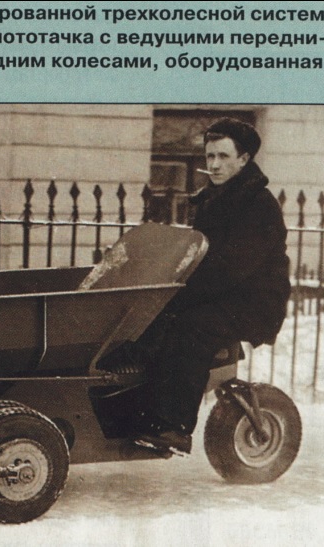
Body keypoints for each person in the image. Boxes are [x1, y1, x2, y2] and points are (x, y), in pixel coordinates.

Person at [130, 117, 291, 456]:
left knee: (191, 328)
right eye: (210, 156)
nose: (214, 164)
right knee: (149, 322)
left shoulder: (259, 205)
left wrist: (179, 297)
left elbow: (231, 269)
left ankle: (174, 427)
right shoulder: (214, 198)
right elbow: (197, 253)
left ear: (243, 159)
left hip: (253, 301)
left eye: (223, 156)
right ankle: (139, 414)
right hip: (221, 295)